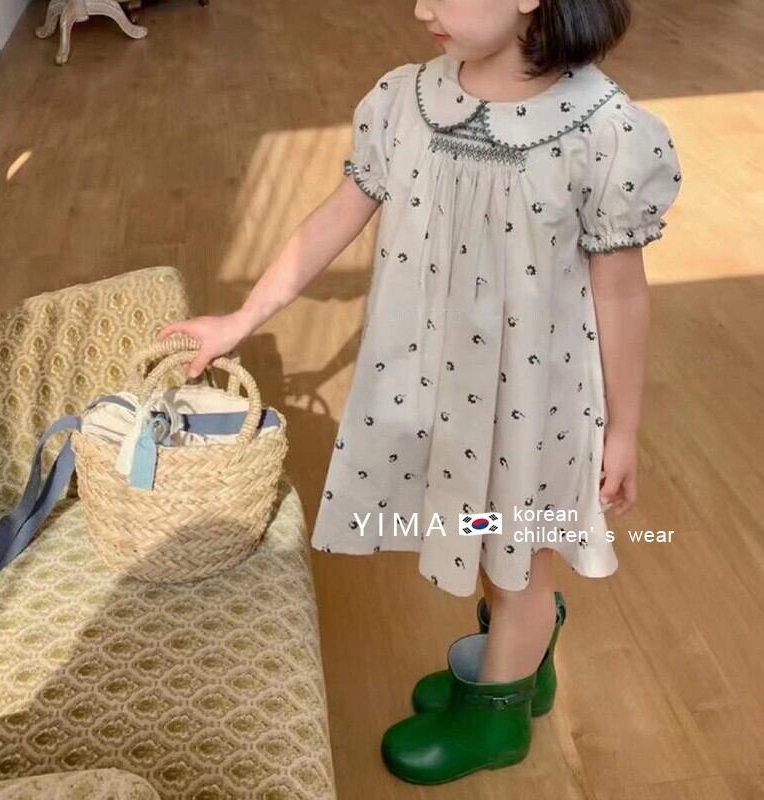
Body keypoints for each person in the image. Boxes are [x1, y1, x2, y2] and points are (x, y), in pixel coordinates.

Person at [157, 0, 683, 784]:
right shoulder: (406, 100)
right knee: (482, 529)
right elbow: (336, 216)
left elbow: (621, 292)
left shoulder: (603, 131)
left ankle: (498, 714)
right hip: (442, 386)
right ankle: (522, 659)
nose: (420, 8)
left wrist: (623, 431)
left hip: (534, 405)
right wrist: (240, 319)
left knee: (519, 556)